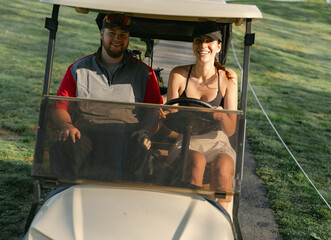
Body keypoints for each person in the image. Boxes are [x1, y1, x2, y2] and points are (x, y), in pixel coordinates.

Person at [51, 14, 163, 178]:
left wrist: (145, 131)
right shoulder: (79, 69)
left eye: (123, 35)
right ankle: (68, 195)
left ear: (128, 38)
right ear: (102, 33)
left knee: (138, 150)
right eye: (112, 33)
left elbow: (155, 112)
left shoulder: (145, 73)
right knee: (64, 146)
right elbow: (60, 106)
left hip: (126, 133)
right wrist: (67, 125)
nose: (117, 39)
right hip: (86, 131)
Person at [167, 21, 238, 209]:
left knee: (223, 167)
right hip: (187, 139)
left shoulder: (228, 77)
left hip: (219, 140)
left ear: (218, 46)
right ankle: (189, 212)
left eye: (209, 41)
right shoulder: (179, 74)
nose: (203, 46)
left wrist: (222, 116)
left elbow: (231, 130)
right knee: (197, 161)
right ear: (193, 44)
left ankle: (221, 213)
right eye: (198, 40)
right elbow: (171, 117)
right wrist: (163, 111)